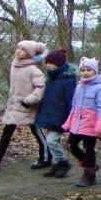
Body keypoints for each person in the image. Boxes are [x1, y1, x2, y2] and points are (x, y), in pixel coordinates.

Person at [0, 41, 47, 173]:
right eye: (18, 48)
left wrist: (29, 100)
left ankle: (47, 157)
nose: (18, 51)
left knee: (36, 131)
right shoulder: (15, 66)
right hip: (15, 105)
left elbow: (40, 87)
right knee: (8, 132)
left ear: (30, 54)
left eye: (23, 49)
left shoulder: (34, 70)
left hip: (28, 106)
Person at [61, 57, 101, 187]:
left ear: (95, 71)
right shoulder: (79, 87)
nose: (86, 72)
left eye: (89, 70)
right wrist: (68, 123)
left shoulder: (100, 88)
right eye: (83, 70)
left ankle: (89, 175)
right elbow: (74, 107)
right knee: (71, 145)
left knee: (88, 149)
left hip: (91, 124)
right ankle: (90, 164)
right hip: (77, 123)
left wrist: (99, 126)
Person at [34, 49, 77, 179]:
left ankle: (63, 162)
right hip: (51, 114)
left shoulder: (68, 80)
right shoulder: (51, 78)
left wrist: (71, 117)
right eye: (47, 63)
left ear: (58, 64)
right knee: (52, 140)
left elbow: (71, 100)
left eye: (51, 63)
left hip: (61, 116)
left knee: (51, 140)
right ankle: (56, 164)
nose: (48, 65)